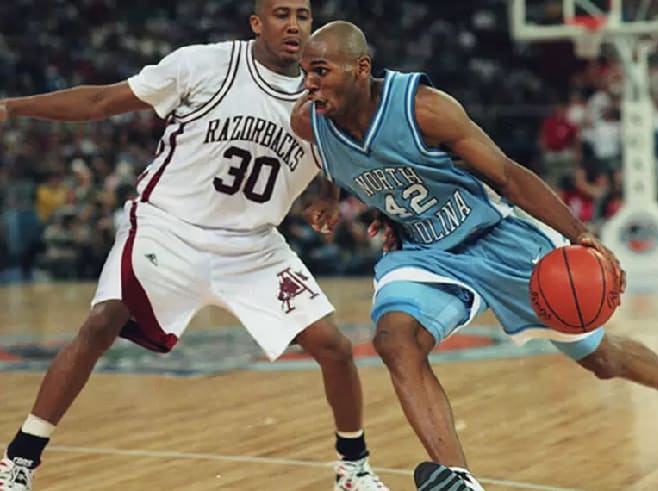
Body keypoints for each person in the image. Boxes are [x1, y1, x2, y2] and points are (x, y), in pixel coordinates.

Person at [0, 4, 390, 491]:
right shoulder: (202, 66)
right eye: (280, 14)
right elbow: (101, 101)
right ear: (256, 23)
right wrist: (12, 107)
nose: (293, 26)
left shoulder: (324, 95)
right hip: (170, 228)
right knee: (102, 321)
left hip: (253, 247)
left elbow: (333, 156)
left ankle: (352, 468)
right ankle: (19, 460)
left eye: (304, 16)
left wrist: (328, 198)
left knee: (334, 347)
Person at [291, 20, 658, 491]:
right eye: (304, 72)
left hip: (493, 239)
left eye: (320, 70)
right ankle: (460, 481)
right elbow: (328, 156)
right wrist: (325, 194)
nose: (309, 84)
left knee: (603, 359)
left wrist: (580, 234)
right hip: (422, 251)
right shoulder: (308, 120)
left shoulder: (425, 109)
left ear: (360, 68)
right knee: (395, 341)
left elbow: (506, 174)